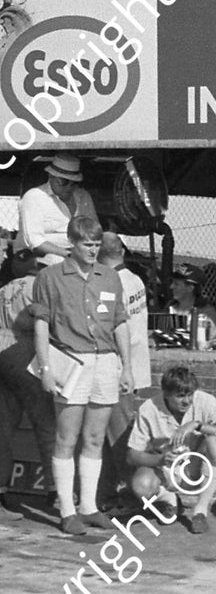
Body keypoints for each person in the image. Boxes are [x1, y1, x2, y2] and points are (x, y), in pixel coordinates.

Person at [31, 216, 133, 534]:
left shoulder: (110, 277)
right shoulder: (49, 277)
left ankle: (89, 507)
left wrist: (126, 367)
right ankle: (67, 510)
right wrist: (46, 369)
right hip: (71, 361)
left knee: (94, 438)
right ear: (72, 243)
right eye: (86, 244)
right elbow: (41, 325)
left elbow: (120, 322)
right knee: (66, 437)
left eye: (96, 244)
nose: (92, 250)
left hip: (105, 361)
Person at [127, 366, 216, 534]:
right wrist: (161, 459)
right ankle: (168, 499)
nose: (187, 401)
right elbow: (131, 455)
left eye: (190, 394)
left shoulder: (205, 401)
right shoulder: (148, 409)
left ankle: (200, 512)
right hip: (165, 470)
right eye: (180, 396)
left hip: (195, 467)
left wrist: (197, 425)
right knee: (140, 486)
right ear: (166, 394)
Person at [98, 234, 151, 510]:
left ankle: (134, 497)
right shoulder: (135, 279)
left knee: (120, 437)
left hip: (119, 367)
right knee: (109, 436)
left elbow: (111, 328)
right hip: (132, 365)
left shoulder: (112, 282)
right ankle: (107, 494)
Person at [0, 245, 50, 520]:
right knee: (46, 424)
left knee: (2, 428)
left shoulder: (4, 289)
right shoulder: (39, 286)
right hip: (27, 352)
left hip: (2, 349)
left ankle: (1, 493)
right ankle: (56, 490)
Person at [19, 154, 99, 268]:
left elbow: (93, 231)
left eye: (74, 183)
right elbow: (35, 242)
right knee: (62, 265)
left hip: (77, 253)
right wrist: (67, 254)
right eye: (64, 182)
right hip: (34, 256)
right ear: (51, 176)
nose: (69, 187)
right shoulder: (34, 197)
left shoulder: (83, 196)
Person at [168, 264, 216, 347]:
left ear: (190, 288)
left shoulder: (206, 312)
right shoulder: (169, 308)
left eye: (176, 284)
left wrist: (206, 344)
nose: (171, 287)